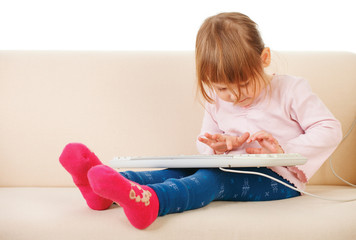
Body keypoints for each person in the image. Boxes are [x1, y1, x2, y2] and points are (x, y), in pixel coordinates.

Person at [59, 12, 342, 229]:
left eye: (243, 83)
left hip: (279, 179)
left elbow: (330, 129)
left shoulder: (292, 90)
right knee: (180, 170)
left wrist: (284, 151)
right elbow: (204, 142)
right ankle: (104, 190)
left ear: (264, 58)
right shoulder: (217, 101)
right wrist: (219, 147)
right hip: (228, 166)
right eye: (221, 88)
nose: (233, 96)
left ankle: (153, 204)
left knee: (212, 178)